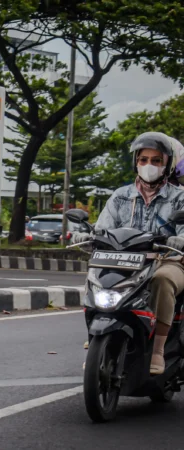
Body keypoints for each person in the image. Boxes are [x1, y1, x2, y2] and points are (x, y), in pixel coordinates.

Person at [74, 131, 184, 375]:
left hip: (167, 261)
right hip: (124, 261)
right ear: (136, 161)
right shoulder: (120, 196)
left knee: (162, 280)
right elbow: (102, 229)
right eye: (143, 159)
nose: (148, 165)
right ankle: (95, 336)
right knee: (95, 273)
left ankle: (157, 350)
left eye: (156, 160)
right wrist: (86, 238)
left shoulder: (179, 198)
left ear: (167, 165)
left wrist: (180, 240)